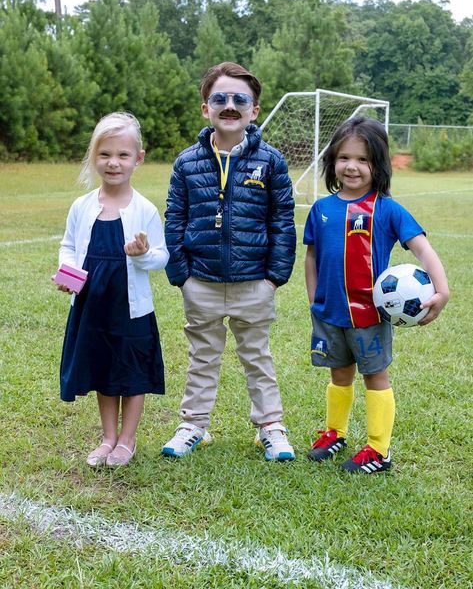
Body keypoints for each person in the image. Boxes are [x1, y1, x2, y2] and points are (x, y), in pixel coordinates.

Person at [162, 62, 296, 461]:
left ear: (254, 110)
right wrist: (181, 275)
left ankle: (270, 427)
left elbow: (282, 219)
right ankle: (194, 426)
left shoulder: (270, 161)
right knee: (202, 357)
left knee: (257, 356)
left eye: (241, 99)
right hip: (200, 281)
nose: (230, 105)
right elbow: (174, 218)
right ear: (206, 108)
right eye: (220, 98)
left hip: (254, 281)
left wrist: (274, 276)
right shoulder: (187, 162)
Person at [303, 115, 449, 473]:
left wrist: (442, 289)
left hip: (369, 316)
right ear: (332, 161)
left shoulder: (386, 208)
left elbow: (422, 248)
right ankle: (335, 432)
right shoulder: (321, 209)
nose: (352, 166)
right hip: (329, 313)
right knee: (339, 373)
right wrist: (313, 300)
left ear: (378, 165)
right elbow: (311, 257)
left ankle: (378, 450)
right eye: (344, 157)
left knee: (375, 377)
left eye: (363, 159)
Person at [56, 112, 169, 467]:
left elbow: (161, 257)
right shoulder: (82, 206)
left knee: (131, 372)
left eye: (122, 155)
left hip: (130, 307)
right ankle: (107, 437)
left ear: (139, 158)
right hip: (93, 304)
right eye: (105, 154)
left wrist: (142, 255)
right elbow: (69, 246)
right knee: (104, 368)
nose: (113, 162)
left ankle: (127, 440)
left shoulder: (145, 210)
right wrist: (68, 273)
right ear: (94, 157)